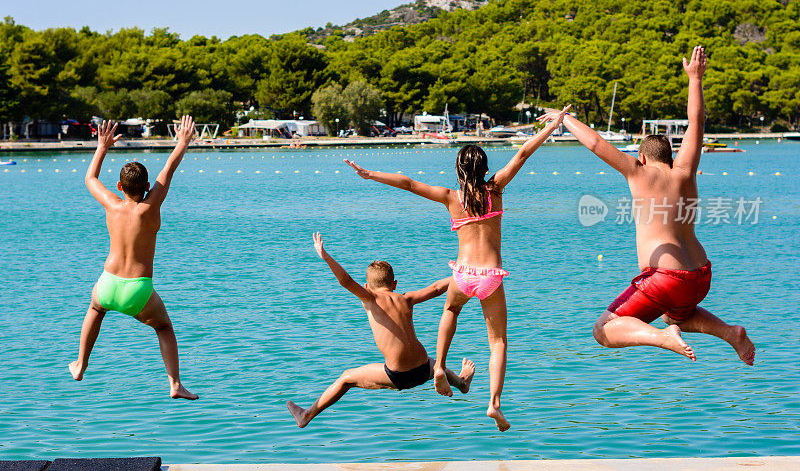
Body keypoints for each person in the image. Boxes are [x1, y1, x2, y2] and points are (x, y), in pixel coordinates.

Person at [344, 106, 570, 432]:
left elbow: (408, 183)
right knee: (498, 343)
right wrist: (554, 125)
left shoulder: (451, 197)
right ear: (484, 169)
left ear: (459, 169)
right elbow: (522, 153)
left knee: (450, 310)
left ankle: (441, 367)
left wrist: (371, 174)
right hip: (490, 276)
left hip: (463, 274)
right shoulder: (496, 189)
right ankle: (494, 403)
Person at [558, 46, 755, 365]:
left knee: (603, 329)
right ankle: (730, 333)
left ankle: (663, 338)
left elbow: (595, 142)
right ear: (670, 156)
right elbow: (697, 122)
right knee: (673, 314)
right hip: (700, 276)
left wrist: (563, 118)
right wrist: (695, 79)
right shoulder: (685, 171)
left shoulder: (637, 172)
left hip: (666, 278)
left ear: (643, 157)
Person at [68, 117, 199, 400]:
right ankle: (175, 384)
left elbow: (90, 179)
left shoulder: (111, 204)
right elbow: (168, 169)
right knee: (163, 327)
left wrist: (102, 146)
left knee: (95, 310)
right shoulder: (150, 207)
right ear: (147, 186)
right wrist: (183, 142)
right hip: (138, 289)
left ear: (119, 185)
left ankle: (80, 365)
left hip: (107, 283)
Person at [286, 232, 475, 428]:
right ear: (394, 284)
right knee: (435, 364)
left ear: (367, 286)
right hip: (423, 368)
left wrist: (325, 256)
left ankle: (307, 415)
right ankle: (461, 383)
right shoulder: (406, 298)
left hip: (398, 374)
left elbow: (346, 281)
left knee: (346, 379)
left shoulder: (370, 298)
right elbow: (437, 288)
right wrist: (463, 274)